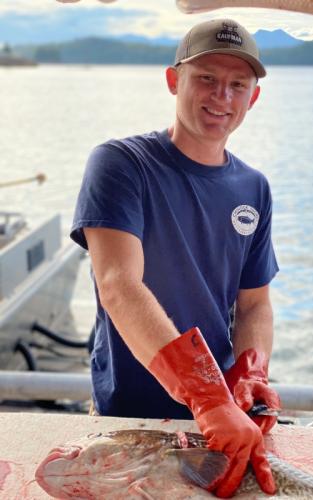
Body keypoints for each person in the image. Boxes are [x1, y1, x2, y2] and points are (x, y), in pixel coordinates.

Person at [71, 18, 280, 498]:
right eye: (206, 78)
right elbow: (119, 284)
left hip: (227, 425)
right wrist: (206, 397)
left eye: (237, 85)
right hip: (131, 420)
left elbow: (254, 305)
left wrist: (251, 370)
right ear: (174, 80)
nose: (221, 96)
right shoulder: (122, 164)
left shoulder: (254, 187)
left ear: (253, 97)